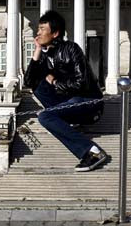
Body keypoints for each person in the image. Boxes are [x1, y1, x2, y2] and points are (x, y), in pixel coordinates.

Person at [24, 10, 107, 172]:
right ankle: (65, 120)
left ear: (55, 33)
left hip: (88, 102)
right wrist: (37, 51)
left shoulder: (71, 49)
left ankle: (92, 152)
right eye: (38, 29)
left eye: (42, 29)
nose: (38, 32)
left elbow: (81, 83)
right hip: (69, 102)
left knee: (45, 117)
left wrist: (54, 81)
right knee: (37, 85)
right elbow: (28, 82)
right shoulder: (44, 55)